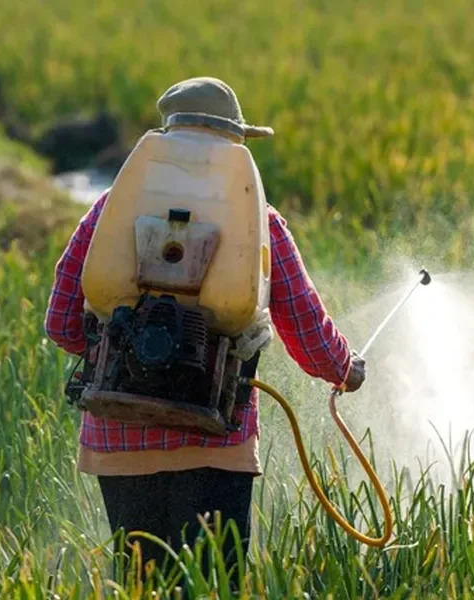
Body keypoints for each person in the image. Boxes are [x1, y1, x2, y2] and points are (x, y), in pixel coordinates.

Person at [44, 77, 366, 584]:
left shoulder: (111, 209)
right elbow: (306, 327)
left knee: (142, 587)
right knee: (215, 585)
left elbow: (61, 323)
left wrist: (126, 345)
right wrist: (345, 370)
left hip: (117, 441)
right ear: (234, 142)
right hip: (216, 438)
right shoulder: (258, 222)